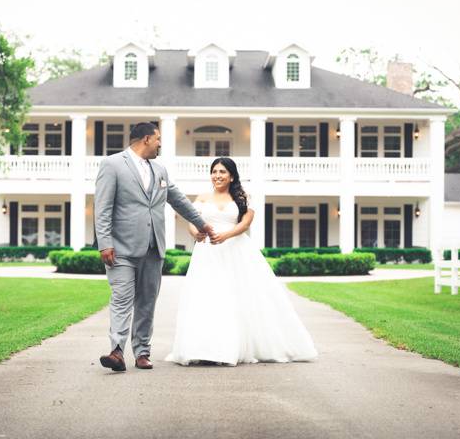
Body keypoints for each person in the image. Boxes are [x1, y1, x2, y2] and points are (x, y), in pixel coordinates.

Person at [166, 157, 318, 366]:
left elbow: (246, 223)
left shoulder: (243, 197)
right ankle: (202, 347)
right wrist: (196, 233)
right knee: (206, 296)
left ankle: (231, 348)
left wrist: (225, 236)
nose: (217, 176)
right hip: (207, 253)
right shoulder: (202, 197)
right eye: (214, 171)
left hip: (236, 251)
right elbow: (191, 222)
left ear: (231, 176)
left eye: (222, 172)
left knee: (235, 296)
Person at [94, 122, 214, 372]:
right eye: (158, 139)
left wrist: (202, 224)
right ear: (146, 139)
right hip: (121, 248)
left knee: (147, 302)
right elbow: (102, 207)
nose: (160, 144)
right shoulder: (112, 164)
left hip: (153, 247)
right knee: (122, 299)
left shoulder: (160, 170)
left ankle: (142, 352)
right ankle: (116, 350)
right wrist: (104, 242)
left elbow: (178, 200)